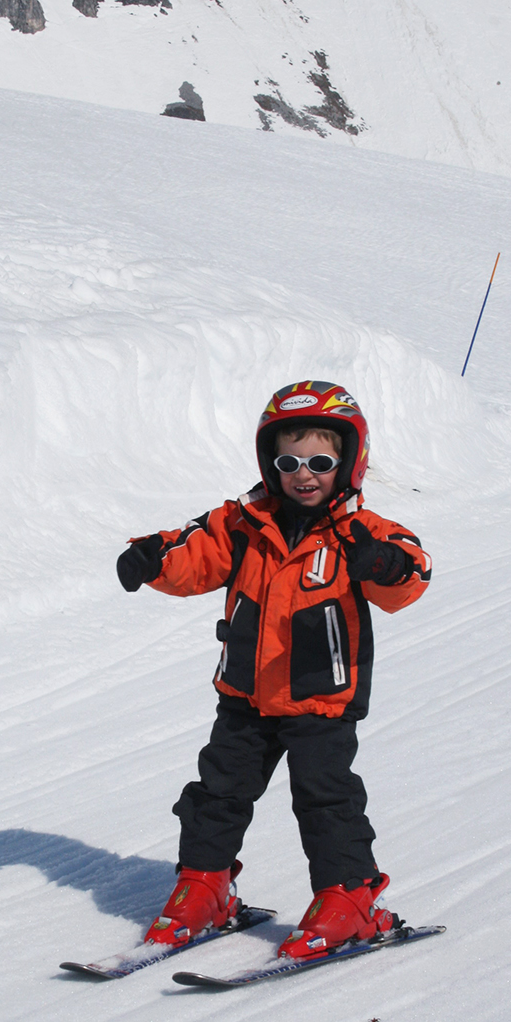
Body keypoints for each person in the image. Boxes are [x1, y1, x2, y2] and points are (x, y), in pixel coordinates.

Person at [116, 380, 431, 959]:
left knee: (324, 798)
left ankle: (348, 898)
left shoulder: (359, 530)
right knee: (217, 794)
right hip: (244, 695)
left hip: (321, 700)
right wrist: (151, 559)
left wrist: (382, 564)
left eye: (319, 460)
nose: (302, 474)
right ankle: (203, 887)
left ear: (348, 461)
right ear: (270, 462)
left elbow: (411, 571)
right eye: (288, 461)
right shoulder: (242, 523)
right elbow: (192, 555)